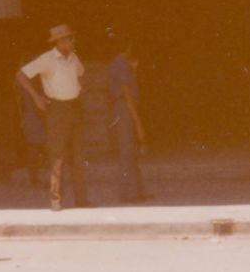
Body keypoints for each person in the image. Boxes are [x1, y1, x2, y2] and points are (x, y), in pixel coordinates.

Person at [18, 24, 93, 211]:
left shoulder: (73, 58)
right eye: (69, 39)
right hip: (57, 109)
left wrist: (81, 91)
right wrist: (37, 97)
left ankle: (81, 199)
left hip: (74, 107)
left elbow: (81, 75)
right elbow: (21, 75)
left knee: (78, 155)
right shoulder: (47, 59)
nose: (72, 41)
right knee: (57, 155)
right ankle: (56, 200)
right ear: (59, 42)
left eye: (72, 38)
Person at [107, 36, 150, 203]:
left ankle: (136, 191)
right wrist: (138, 122)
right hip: (125, 110)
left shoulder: (123, 65)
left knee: (131, 152)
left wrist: (134, 71)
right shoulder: (121, 64)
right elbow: (126, 95)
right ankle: (128, 194)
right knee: (126, 153)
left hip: (125, 109)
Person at [14, 52, 48, 186]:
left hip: (29, 116)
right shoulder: (30, 82)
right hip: (34, 115)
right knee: (35, 147)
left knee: (33, 146)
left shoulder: (21, 82)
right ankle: (34, 179)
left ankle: (34, 178)